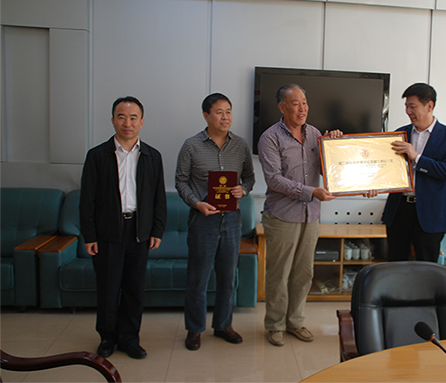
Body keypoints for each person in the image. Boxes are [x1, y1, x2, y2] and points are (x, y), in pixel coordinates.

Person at [80, 96, 167, 360]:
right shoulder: (97, 155)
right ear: (113, 120)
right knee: (108, 289)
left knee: (134, 289)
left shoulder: (152, 156)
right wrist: (89, 235)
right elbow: (87, 199)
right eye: (121, 117)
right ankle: (107, 337)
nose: (127, 123)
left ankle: (130, 338)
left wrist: (157, 230)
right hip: (108, 231)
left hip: (139, 231)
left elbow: (158, 198)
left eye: (133, 117)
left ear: (141, 122)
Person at [258, 84, 342, 347]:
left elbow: (329, 168)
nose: (302, 108)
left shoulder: (315, 133)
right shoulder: (270, 138)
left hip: (311, 216)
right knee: (279, 275)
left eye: (304, 102)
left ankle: (295, 322)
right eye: (295, 103)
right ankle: (275, 325)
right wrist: (311, 192)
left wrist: (334, 146)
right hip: (283, 216)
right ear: (282, 107)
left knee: (304, 274)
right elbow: (274, 180)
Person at [175, 93, 255, 350]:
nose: (225, 117)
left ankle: (223, 325)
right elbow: (181, 181)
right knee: (197, 279)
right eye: (219, 112)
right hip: (203, 220)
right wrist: (196, 203)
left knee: (227, 278)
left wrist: (243, 189)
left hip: (231, 220)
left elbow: (249, 178)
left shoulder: (240, 145)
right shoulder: (191, 146)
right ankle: (194, 329)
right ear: (206, 115)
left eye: (228, 111)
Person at [381, 83, 446, 262]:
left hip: (430, 214)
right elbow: (387, 170)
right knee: (396, 264)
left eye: (412, 106)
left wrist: (416, 157)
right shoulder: (400, 134)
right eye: (406, 107)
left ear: (429, 106)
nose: (408, 111)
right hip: (399, 209)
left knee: (426, 267)